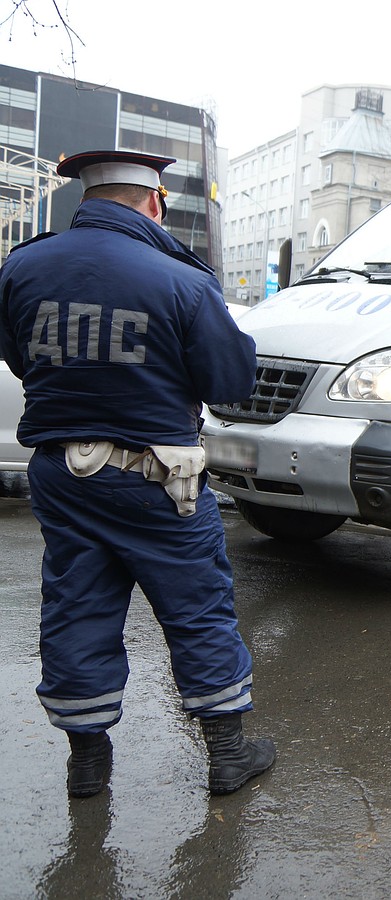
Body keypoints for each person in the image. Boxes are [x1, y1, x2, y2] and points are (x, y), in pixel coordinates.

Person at [0, 150, 275, 797]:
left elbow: (18, 354)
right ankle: (228, 756)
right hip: (158, 480)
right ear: (154, 202)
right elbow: (231, 381)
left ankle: (87, 762)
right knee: (198, 609)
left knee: (76, 606)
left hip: (62, 476)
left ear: (85, 201)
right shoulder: (179, 278)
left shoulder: (22, 267)